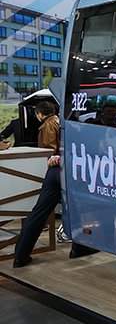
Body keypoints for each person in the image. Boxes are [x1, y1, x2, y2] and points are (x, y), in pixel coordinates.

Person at [12, 101, 62, 267]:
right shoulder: (60, 121)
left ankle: (20, 255)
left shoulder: (47, 126)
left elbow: (48, 151)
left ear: (40, 114)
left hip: (55, 171)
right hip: (66, 170)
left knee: (38, 214)